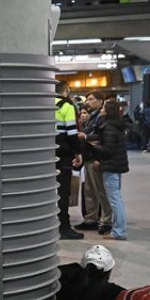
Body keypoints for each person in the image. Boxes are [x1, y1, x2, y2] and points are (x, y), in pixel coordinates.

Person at [87, 100, 128, 240]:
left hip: (111, 166)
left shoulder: (109, 127)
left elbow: (108, 150)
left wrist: (92, 147)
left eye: (104, 107)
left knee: (115, 200)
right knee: (117, 199)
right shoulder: (116, 126)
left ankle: (119, 231)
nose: (102, 109)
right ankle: (119, 229)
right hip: (116, 166)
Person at [77, 93, 113, 236]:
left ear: (100, 101)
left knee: (100, 191)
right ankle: (90, 219)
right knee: (89, 190)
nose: (88, 102)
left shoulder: (101, 118)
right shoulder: (92, 117)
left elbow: (101, 138)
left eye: (91, 99)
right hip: (88, 157)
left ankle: (106, 220)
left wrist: (86, 137)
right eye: (87, 99)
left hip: (95, 157)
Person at [54, 81, 84, 240]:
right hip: (63, 153)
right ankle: (64, 226)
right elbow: (72, 133)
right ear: (66, 90)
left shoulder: (45, 103)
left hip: (45, 152)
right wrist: (77, 152)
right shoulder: (67, 106)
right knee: (63, 190)